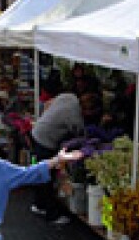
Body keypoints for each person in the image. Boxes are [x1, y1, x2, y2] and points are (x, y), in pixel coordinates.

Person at [30, 92, 97, 224]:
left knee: (40, 172)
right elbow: (81, 135)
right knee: (47, 176)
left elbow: (48, 103)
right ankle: (51, 214)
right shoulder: (76, 117)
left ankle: (39, 205)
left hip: (37, 131)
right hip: (46, 141)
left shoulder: (69, 96)